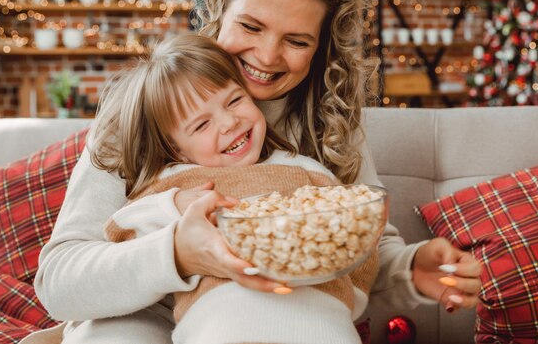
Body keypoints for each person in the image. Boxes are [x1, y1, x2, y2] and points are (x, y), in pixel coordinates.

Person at [28, 0, 481, 344]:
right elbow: (60, 279)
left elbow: (358, 243)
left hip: (258, 301)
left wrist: (411, 269)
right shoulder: (143, 108)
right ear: (219, 10)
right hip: (138, 305)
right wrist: (177, 255)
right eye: (250, 26)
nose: (266, 56)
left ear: (322, 46)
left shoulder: (333, 123)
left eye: (297, 41)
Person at [100, 33, 380, 344]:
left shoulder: (303, 169)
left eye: (234, 100)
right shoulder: (178, 182)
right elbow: (120, 230)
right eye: (201, 125)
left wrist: (346, 299)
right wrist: (174, 205)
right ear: (177, 149)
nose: (229, 122)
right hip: (223, 323)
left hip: (322, 321)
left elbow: (359, 243)